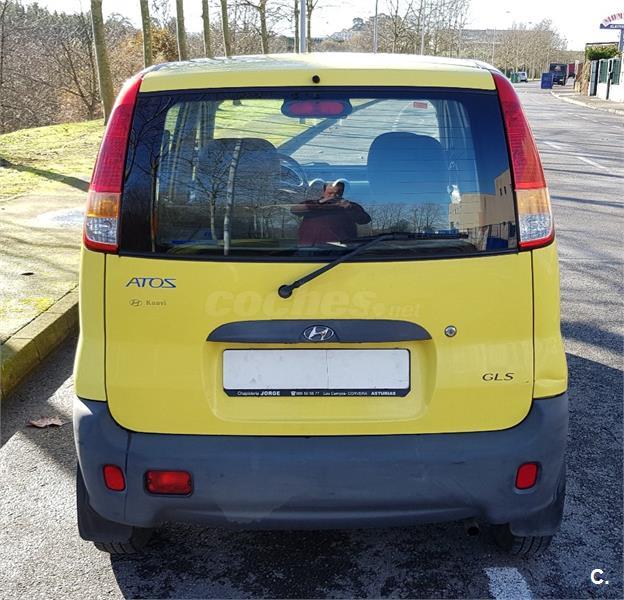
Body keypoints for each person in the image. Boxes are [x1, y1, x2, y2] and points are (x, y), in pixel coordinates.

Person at [291, 180, 371, 246]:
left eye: (338, 193)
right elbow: (294, 210)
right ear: (324, 192)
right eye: (330, 193)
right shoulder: (311, 204)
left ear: (342, 193)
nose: (333, 196)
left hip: (343, 249)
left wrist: (349, 208)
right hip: (309, 248)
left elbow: (365, 220)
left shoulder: (350, 206)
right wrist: (320, 204)